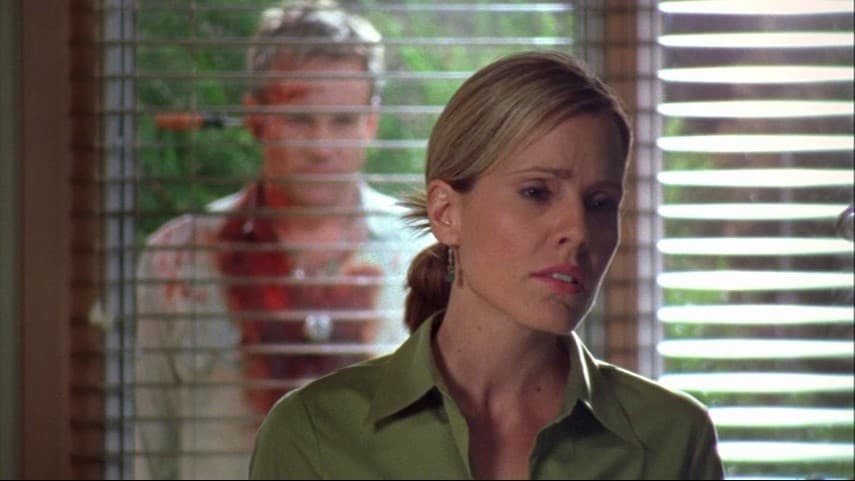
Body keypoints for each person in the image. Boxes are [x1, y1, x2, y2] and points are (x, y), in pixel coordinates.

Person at [249, 50, 725, 480]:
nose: (578, 231)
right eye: (536, 192)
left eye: (600, 202)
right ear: (446, 213)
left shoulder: (672, 437)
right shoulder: (315, 435)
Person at [134, 1, 423, 479]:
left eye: (343, 121)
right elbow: (148, 451)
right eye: (300, 119)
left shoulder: (423, 255)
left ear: (371, 123)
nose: (322, 147)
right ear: (256, 117)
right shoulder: (179, 260)